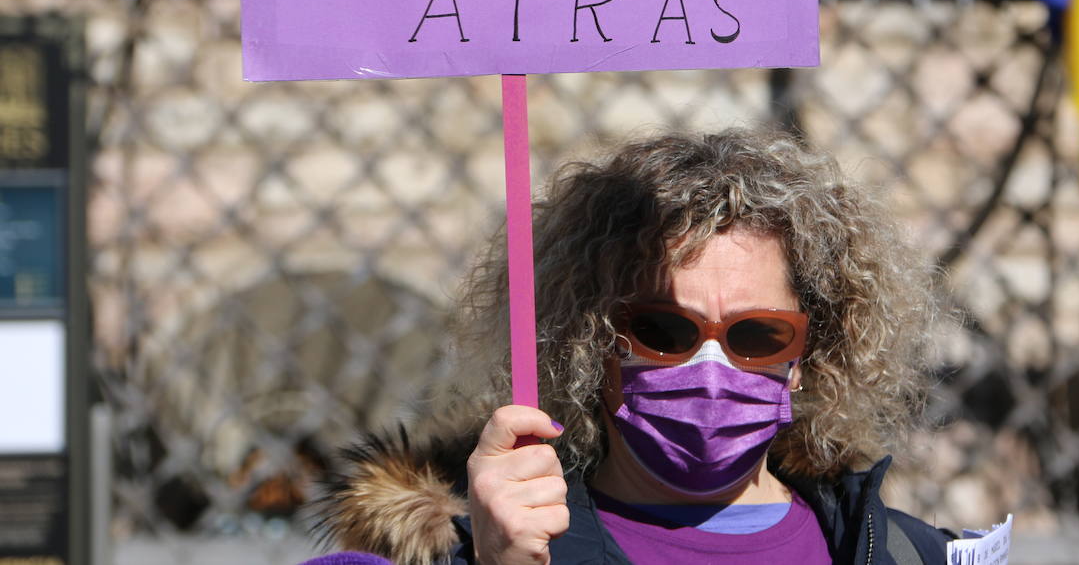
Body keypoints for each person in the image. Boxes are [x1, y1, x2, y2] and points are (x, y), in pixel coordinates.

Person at [304, 128, 954, 564]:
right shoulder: (470, 548)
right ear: (594, 343)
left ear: (806, 359)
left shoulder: (900, 551)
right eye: (664, 330)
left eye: (757, 336)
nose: (711, 367)